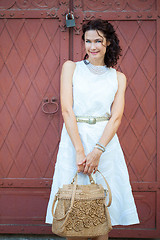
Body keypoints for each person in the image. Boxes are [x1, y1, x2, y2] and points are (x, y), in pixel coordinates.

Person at [45, 19, 140, 240]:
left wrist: (97, 151)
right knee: (74, 214)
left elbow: (116, 118)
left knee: (101, 217)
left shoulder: (118, 78)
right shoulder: (71, 68)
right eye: (88, 41)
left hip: (105, 146)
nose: (92, 46)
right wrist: (80, 150)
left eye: (98, 40)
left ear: (108, 43)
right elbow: (67, 110)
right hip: (74, 141)